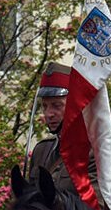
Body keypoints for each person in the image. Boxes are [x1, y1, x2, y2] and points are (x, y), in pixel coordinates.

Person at [22, 62, 80, 195]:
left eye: (56, 105)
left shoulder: (97, 152)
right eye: (45, 106)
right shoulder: (41, 150)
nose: (48, 114)